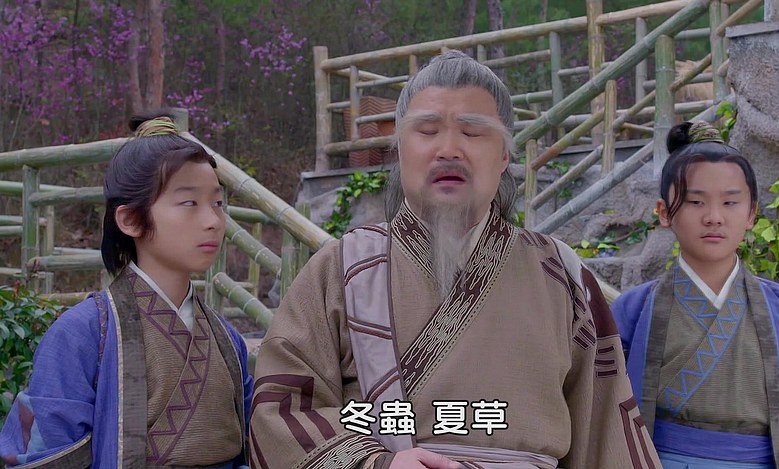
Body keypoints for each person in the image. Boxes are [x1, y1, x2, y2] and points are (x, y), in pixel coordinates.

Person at [249, 50, 660, 469]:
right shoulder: (340, 269)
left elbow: (606, 430)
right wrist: (378, 464)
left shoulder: (560, 274)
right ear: (400, 149)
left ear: (504, 155)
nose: (449, 149)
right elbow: (282, 415)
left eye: (473, 132)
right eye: (427, 131)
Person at [0, 113, 253, 468]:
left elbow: (256, 445)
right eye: (189, 203)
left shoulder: (228, 340)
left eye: (218, 203)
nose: (213, 221)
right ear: (131, 219)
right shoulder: (82, 334)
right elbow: (44, 457)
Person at [611, 121, 779, 468]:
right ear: (664, 212)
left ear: (751, 213)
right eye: (696, 201)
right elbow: (599, 411)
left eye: (730, 202)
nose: (714, 217)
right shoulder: (633, 310)